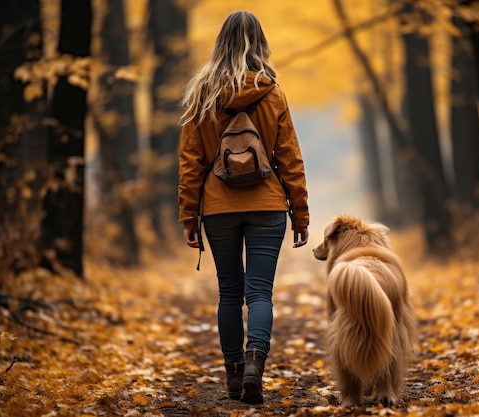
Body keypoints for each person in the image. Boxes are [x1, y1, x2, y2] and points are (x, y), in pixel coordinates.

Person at [177, 10, 310, 404]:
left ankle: (234, 375)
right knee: (260, 294)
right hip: (267, 205)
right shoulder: (274, 93)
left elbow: (190, 162)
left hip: (218, 208)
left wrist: (189, 216)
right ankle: (256, 364)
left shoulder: (201, 96)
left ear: (220, 44)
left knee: (229, 293)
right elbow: (290, 159)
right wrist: (300, 214)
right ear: (261, 43)